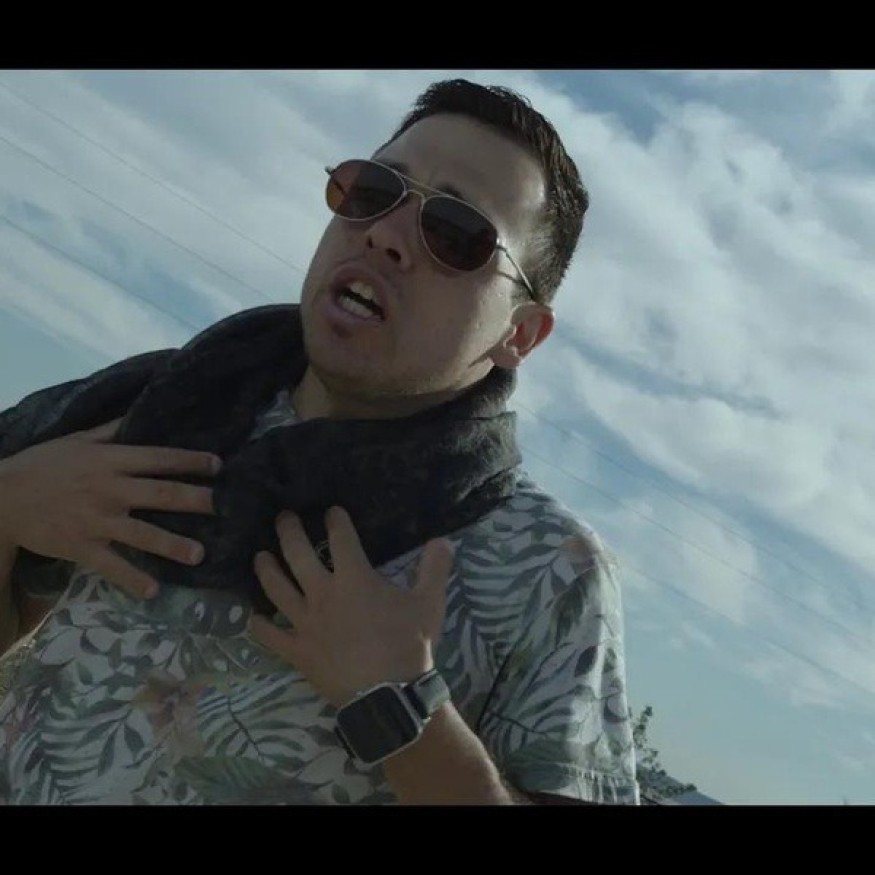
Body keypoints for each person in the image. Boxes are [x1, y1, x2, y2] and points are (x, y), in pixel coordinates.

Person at [0, 78, 640, 805]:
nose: (386, 234)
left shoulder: (549, 566)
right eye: (374, 190)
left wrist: (401, 709)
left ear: (519, 334)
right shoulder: (165, 406)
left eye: (456, 233)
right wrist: (9, 505)